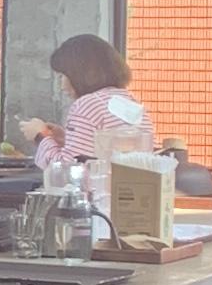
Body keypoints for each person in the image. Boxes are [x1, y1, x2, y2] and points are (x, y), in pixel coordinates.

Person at [37, 33, 156, 196]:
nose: (61, 85)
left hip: (98, 202)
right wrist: (65, 138)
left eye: (63, 76)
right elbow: (103, 152)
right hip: (131, 198)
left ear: (80, 73)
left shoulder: (86, 105)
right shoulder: (129, 102)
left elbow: (68, 173)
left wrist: (41, 136)